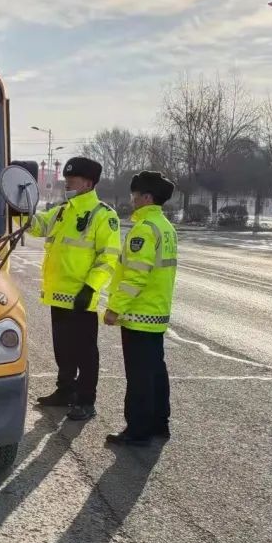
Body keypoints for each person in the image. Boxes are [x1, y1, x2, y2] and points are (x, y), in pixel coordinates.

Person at [29, 157, 121, 421]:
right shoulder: (62, 211)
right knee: (63, 349)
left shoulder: (103, 215)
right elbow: (37, 226)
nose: (67, 182)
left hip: (81, 298)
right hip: (58, 295)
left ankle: (86, 400)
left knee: (85, 352)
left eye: (73, 179)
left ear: (88, 183)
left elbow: (108, 257)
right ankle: (65, 391)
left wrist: (90, 288)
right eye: (67, 178)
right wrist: (20, 209)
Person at [103, 171, 178, 446]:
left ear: (147, 197)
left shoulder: (145, 229)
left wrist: (114, 308)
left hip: (139, 313)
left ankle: (137, 430)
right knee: (156, 371)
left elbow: (136, 275)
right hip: (156, 311)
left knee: (139, 377)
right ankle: (160, 424)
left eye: (135, 195)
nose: (132, 200)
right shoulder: (165, 227)